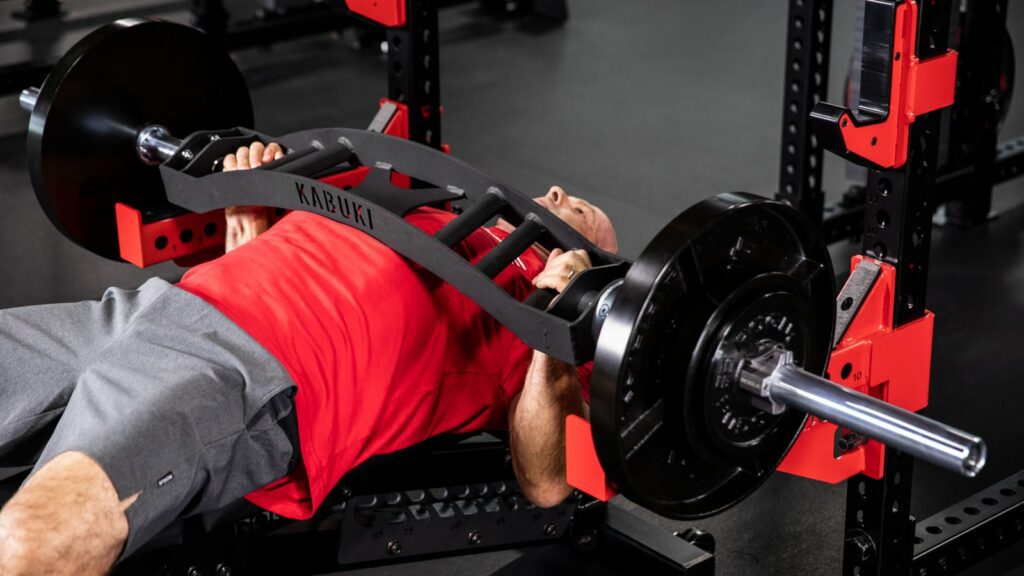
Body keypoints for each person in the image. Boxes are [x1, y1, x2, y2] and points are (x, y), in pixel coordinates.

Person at [0, 141, 618, 575]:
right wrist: (248, 222)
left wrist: (555, 330)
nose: (560, 191)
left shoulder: (548, 328)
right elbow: (293, 278)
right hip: (147, 310)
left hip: (242, 375)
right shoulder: (438, 209)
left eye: (586, 213)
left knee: (35, 538)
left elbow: (549, 483)